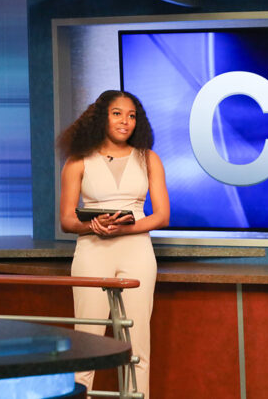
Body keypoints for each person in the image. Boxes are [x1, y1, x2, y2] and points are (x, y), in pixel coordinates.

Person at [58, 90, 169, 397]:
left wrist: (123, 230)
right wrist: (89, 225)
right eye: (117, 113)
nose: (125, 121)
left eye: (132, 115)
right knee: (87, 341)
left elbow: (161, 216)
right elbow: (66, 219)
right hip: (92, 251)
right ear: (101, 117)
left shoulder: (149, 158)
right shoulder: (78, 160)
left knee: (137, 343)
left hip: (137, 252)